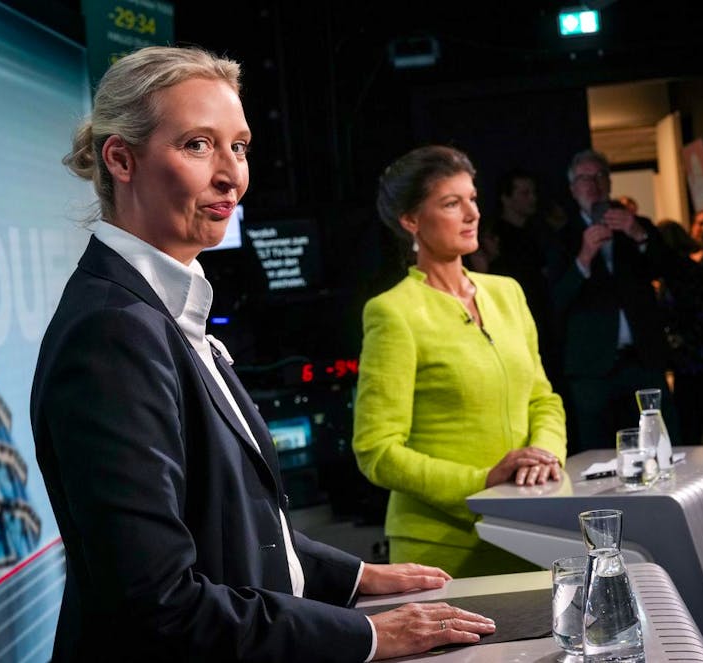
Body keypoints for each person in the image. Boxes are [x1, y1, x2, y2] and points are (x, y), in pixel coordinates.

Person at [32, 46, 496, 662]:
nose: (232, 175)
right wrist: (368, 634)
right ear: (121, 158)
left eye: (240, 146)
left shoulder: (161, 310)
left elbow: (233, 524)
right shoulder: (114, 332)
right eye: (198, 145)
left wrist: (354, 577)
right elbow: (159, 603)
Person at [352, 145, 567, 579]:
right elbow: (376, 451)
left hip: (531, 531)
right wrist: (483, 480)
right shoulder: (393, 312)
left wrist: (545, 453)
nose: (472, 214)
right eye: (452, 203)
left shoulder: (507, 292)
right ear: (411, 221)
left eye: (473, 199)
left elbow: (543, 398)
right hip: (443, 548)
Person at [544, 149, 680, 452]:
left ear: (609, 182)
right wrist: (583, 259)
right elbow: (556, 300)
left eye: (598, 176)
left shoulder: (636, 226)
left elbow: (671, 270)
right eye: (583, 179)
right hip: (591, 367)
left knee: (662, 448)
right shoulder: (561, 239)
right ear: (572, 188)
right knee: (598, 454)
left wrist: (638, 234)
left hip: (643, 359)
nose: (592, 184)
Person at [486, 169, 561, 388]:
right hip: (514, 326)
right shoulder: (495, 237)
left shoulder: (537, 233)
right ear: (506, 197)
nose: (532, 198)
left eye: (533, 192)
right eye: (524, 193)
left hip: (544, 324)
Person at [655, 220, 703, 445]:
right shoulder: (691, 269)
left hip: (691, 356)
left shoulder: (676, 274)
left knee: (691, 422)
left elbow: (681, 312)